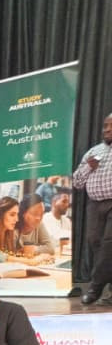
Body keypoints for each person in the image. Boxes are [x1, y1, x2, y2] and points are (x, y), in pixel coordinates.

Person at [74, 113, 112, 304]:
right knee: (96, 244)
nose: (106, 129)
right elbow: (77, 183)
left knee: (108, 244)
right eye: (105, 126)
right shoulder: (93, 152)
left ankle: (95, 289)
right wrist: (88, 167)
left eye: (110, 126)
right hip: (95, 205)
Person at [14, 194, 56, 259]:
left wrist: (32, 249)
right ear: (23, 213)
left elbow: (50, 249)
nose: (38, 218)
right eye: (35, 213)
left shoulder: (39, 224)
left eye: (42, 214)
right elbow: (10, 253)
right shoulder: (14, 226)